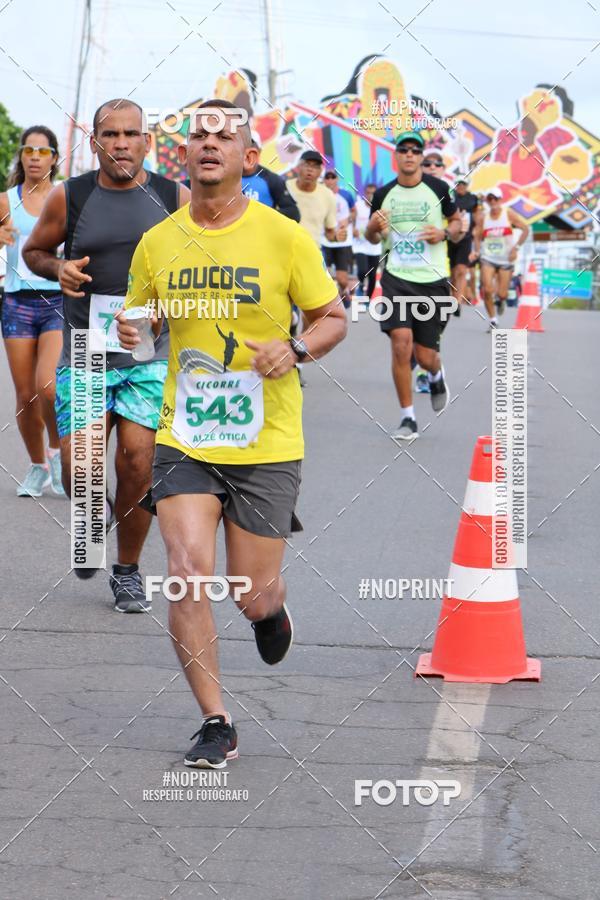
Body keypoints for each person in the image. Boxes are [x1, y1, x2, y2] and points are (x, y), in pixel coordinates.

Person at [116, 98, 346, 769]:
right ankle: (216, 721)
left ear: (248, 158)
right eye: (198, 134)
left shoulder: (283, 237)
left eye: (227, 134)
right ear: (183, 156)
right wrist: (137, 330)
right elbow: (145, 322)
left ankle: (271, 611)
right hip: (184, 434)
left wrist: (296, 349)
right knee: (187, 573)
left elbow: (331, 316)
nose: (209, 141)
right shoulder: (158, 242)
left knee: (251, 592)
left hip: (265, 443)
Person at [23, 98, 189, 612]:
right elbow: (34, 252)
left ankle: (127, 569)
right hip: (87, 353)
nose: (121, 143)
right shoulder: (68, 196)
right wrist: (59, 271)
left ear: (146, 140)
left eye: (130, 134)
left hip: (147, 357)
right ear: (95, 141)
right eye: (110, 134)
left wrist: (169, 306)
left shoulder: (173, 196)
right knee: (81, 469)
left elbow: (198, 268)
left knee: (138, 462)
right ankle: (92, 524)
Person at [365, 131, 462, 441]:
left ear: (421, 157)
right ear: (397, 156)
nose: (409, 154)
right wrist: (371, 227)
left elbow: (459, 225)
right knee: (400, 344)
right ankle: (408, 418)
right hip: (396, 278)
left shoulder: (439, 189)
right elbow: (371, 237)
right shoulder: (383, 194)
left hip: (432, 281)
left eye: (415, 150)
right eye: (403, 149)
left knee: (425, 356)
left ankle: (436, 374)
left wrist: (443, 234)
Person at [0, 126, 65, 498]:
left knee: (49, 387)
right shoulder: (6, 201)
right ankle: (38, 465)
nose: (35, 157)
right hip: (17, 302)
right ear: (22, 156)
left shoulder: (63, 197)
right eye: (29, 150)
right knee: (25, 396)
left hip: (56, 300)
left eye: (43, 152)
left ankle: (57, 452)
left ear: (54, 158)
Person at [479, 187, 529, 330]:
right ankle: (493, 319)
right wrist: (476, 251)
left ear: (500, 200)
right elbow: (476, 235)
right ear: (487, 201)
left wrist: (516, 248)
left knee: (502, 293)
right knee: (487, 289)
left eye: (495, 198)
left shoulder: (508, 214)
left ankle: (501, 301)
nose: (493, 201)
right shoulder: (484, 217)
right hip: (488, 257)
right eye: (490, 199)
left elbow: (525, 229)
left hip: (506, 258)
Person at [241, 135, 300, 221]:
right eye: (244, 146)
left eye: (252, 146)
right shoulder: (224, 177)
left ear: (259, 152)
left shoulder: (272, 179)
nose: (247, 152)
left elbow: (293, 213)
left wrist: (264, 216)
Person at [287, 150, 337, 246]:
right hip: (284, 250)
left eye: (315, 166)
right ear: (298, 167)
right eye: (307, 164)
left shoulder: (328, 195)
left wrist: (336, 237)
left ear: (320, 171)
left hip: (312, 252)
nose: (310, 169)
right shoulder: (284, 187)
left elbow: (330, 233)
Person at [448, 175, 481, 317]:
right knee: (453, 272)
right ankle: (452, 297)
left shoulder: (473, 199)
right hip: (450, 237)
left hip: (466, 238)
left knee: (462, 270)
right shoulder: (450, 197)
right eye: (458, 184)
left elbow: (478, 220)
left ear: (467, 185)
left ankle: (458, 301)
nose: (460, 186)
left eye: (463, 184)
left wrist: (476, 242)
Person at [322, 170, 355, 304]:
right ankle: (327, 301)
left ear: (337, 179)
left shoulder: (346, 195)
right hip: (324, 241)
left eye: (332, 177)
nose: (330, 180)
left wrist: (347, 221)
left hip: (343, 242)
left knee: (342, 279)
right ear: (324, 180)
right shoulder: (320, 195)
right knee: (324, 275)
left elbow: (354, 212)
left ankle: (344, 289)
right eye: (327, 177)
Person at [353, 183, 381, 299]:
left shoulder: (380, 208)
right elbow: (351, 219)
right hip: (360, 245)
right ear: (364, 193)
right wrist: (352, 229)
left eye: (373, 194)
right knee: (362, 270)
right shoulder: (358, 206)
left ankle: (368, 299)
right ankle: (360, 285)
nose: (370, 196)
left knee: (373, 275)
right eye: (368, 193)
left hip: (374, 247)